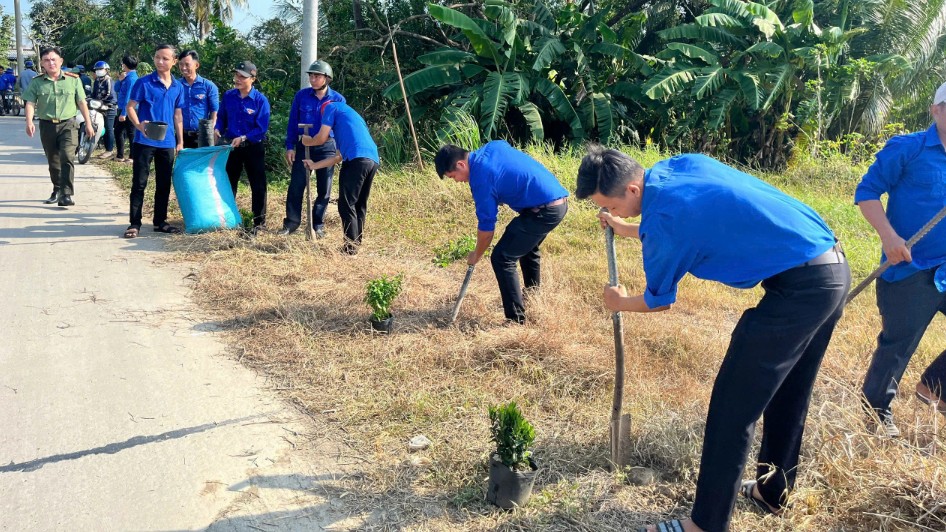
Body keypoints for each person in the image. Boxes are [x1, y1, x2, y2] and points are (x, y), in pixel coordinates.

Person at [575, 146, 850, 532]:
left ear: (633, 190)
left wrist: (619, 301)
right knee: (788, 392)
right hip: (830, 268)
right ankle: (773, 492)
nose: (612, 213)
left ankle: (704, 524)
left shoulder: (667, 216)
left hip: (801, 291)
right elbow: (695, 220)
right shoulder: (676, 168)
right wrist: (628, 228)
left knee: (732, 407)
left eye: (612, 206)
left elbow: (658, 301)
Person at [856, 82, 946, 437]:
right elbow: (866, 192)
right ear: (935, 109)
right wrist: (889, 238)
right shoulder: (908, 148)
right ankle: (876, 412)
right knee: (897, 345)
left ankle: (935, 385)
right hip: (909, 268)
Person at [434, 142, 568, 323]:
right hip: (555, 201)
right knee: (525, 248)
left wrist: (476, 254)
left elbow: (487, 229)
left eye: (453, 177)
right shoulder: (492, 147)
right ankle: (533, 298)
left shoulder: (481, 179)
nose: (457, 181)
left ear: (461, 165)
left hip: (545, 211)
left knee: (502, 257)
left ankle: (515, 320)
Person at [301, 100, 378, 254]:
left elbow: (321, 138)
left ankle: (350, 249)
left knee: (346, 204)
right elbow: (337, 157)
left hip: (356, 160)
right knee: (358, 204)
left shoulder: (330, 107)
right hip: (372, 159)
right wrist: (314, 165)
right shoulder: (350, 118)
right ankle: (355, 245)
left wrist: (307, 141)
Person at [21, 46, 95, 207]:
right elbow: (30, 103)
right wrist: (29, 122)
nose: (51, 63)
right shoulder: (37, 82)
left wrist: (88, 124)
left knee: (67, 157)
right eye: (47, 60)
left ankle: (66, 194)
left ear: (61, 61)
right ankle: (57, 188)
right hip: (47, 126)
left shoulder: (73, 80)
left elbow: (82, 102)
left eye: (54, 59)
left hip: (68, 124)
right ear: (42, 63)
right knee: (53, 160)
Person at [124, 44, 184, 238]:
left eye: (165, 58)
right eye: (157, 57)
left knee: (164, 184)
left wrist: (179, 141)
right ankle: (134, 223)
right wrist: (139, 125)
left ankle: (160, 222)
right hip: (144, 141)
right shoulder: (143, 83)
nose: (160, 61)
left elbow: (178, 116)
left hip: (167, 143)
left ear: (174, 62)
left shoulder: (178, 86)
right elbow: (130, 107)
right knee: (139, 183)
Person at [279, 60, 345, 237]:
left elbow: (341, 126)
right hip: (305, 144)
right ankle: (291, 223)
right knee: (296, 185)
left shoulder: (337, 99)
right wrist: (290, 146)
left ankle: (318, 225)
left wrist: (341, 150)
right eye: (311, 76)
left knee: (325, 187)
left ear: (327, 78)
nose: (313, 79)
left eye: (317, 76)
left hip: (327, 147)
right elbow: (293, 122)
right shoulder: (301, 96)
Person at [215, 61, 270, 231]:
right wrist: (217, 128)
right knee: (228, 182)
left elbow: (261, 129)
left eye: (242, 76)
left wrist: (244, 137)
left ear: (253, 79)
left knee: (258, 184)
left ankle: (259, 222)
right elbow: (222, 117)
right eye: (236, 75)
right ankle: (229, 219)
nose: (237, 79)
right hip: (232, 147)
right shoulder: (229, 96)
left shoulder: (261, 101)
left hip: (253, 147)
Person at [177, 50, 219, 149]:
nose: (183, 68)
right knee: (184, 164)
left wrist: (211, 133)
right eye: (181, 64)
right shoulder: (176, 86)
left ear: (196, 65)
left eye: (187, 65)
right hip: (182, 135)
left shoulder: (209, 86)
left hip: (202, 136)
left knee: (202, 164)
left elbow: (214, 112)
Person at [90, 61, 118, 159]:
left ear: (106, 70)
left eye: (100, 69)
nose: (98, 71)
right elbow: (94, 93)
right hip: (99, 106)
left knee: (108, 129)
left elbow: (109, 94)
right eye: (97, 70)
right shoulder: (97, 81)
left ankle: (109, 150)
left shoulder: (108, 80)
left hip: (109, 107)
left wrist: (102, 101)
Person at [114, 55, 139, 163]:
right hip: (121, 108)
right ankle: (120, 155)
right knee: (118, 131)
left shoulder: (132, 79)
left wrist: (124, 113)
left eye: (123, 63)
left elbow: (129, 97)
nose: (122, 65)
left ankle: (132, 156)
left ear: (125, 64)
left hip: (130, 109)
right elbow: (116, 89)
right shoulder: (125, 77)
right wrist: (120, 80)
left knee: (131, 133)